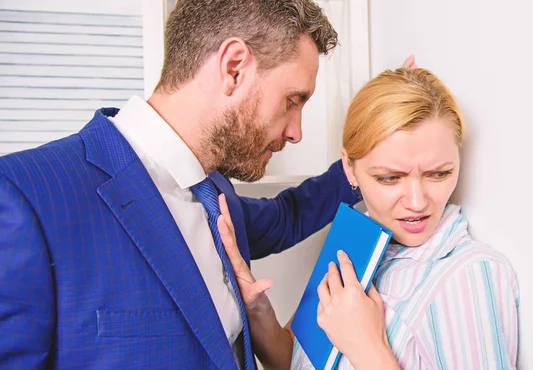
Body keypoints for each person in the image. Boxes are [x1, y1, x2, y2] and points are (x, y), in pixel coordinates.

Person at [0, 1, 363, 369]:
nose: (296, 132)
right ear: (234, 67)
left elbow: (287, 217)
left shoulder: (218, 197)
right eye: (293, 100)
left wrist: (370, 161)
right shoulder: (24, 198)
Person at [220, 67, 520, 369]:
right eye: (390, 178)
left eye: (438, 174)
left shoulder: (467, 275)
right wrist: (256, 312)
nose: (417, 203)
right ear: (349, 169)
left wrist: (367, 347)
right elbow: (295, 361)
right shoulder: (355, 240)